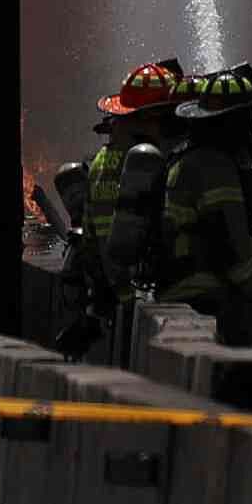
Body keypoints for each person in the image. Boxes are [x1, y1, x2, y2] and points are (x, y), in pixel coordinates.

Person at [157, 65, 252, 415]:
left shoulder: (188, 161)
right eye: (244, 118)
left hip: (192, 287)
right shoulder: (215, 168)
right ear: (230, 123)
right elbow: (227, 246)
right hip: (207, 295)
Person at [56, 60, 183, 358]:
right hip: (139, 297)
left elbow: (91, 238)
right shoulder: (143, 162)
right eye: (167, 116)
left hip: (109, 297)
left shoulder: (102, 161)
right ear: (152, 118)